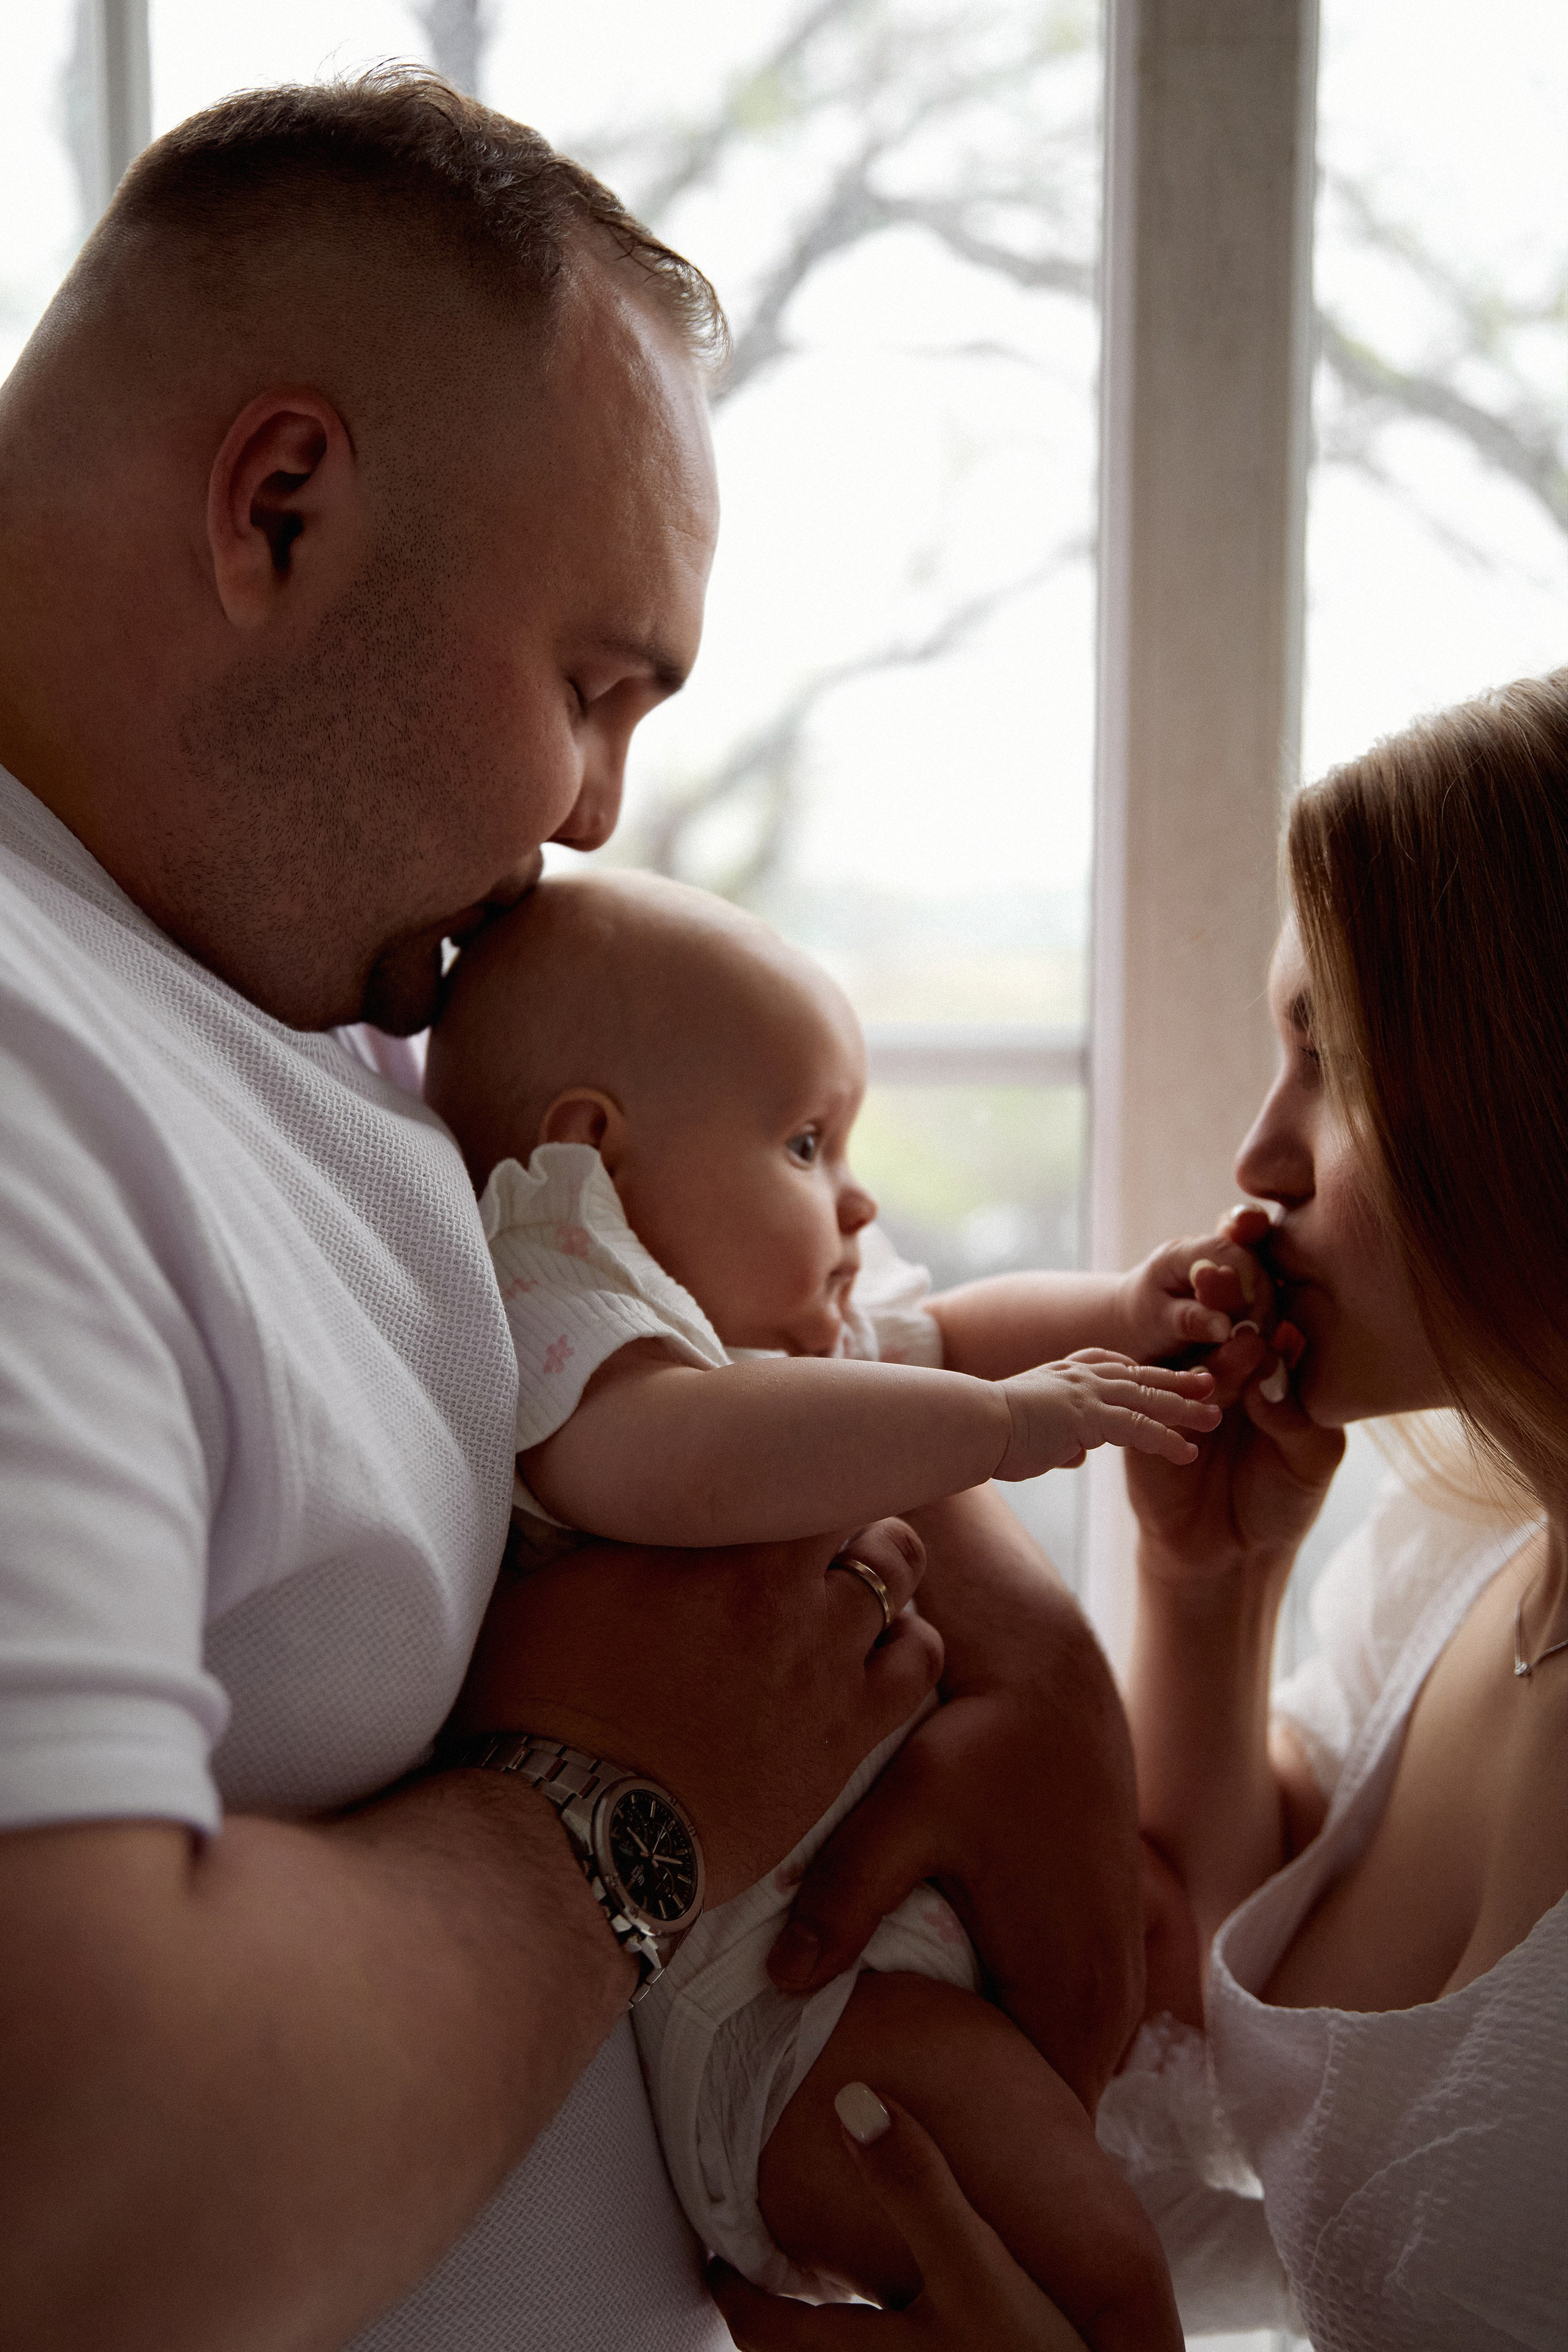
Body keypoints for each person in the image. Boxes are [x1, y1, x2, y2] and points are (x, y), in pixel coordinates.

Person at [0, 73, 1148, 2351]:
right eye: (591, 686)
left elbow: (782, 1280)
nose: (596, 812)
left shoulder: (331, 981)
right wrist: (619, 1807)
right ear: (284, 507)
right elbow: (84, 2184)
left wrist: (1039, 1653)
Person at [425, 869, 1248, 2343]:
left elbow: (952, 1332)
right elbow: (682, 1458)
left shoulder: (764, 1340)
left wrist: (1128, 1309)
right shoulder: (584, 1343)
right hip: (795, 2020)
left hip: (879, 1950)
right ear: (587, 1168)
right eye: (804, 1142)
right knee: (1112, 2284)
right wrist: (997, 1427)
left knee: (1123, 2225)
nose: (856, 1194)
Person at [1091, 671, 1568, 2348]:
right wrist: (1206, 1588)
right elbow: (1232, 2064)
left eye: (1330, 1061)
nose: (1257, 1157)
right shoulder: (1468, 1543)